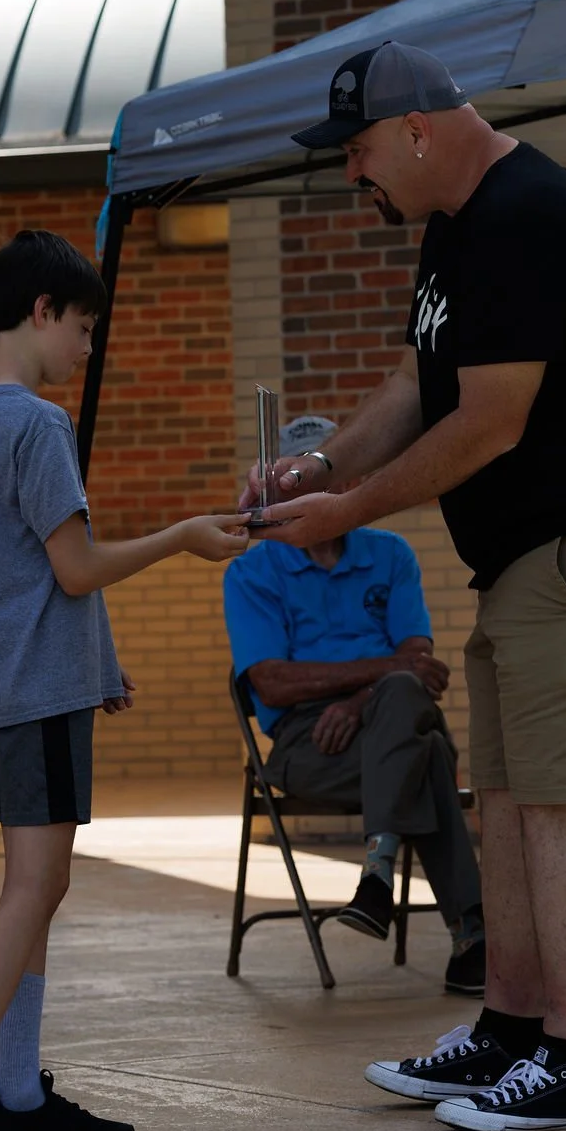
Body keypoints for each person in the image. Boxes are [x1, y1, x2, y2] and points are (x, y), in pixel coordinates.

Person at [242, 41, 566, 1131]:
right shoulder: (457, 227)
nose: (352, 174)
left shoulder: (526, 216)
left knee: (557, 801)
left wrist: (347, 511)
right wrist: (321, 467)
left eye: (357, 150)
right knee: (503, 798)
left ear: (416, 130)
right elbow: (420, 380)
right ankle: (509, 1029)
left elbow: (490, 422)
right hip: (528, 558)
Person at [0, 230, 250, 1131]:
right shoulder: (39, 425)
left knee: (37, 888)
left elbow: (23, 577)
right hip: (35, 692)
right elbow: (77, 567)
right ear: (41, 310)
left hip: (5, 686)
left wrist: (99, 665)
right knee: (34, 888)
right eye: (84, 328)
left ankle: (17, 1092)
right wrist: (182, 536)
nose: (89, 349)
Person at [225, 414, 485, 996]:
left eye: (326, 475)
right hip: (307, 743)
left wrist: (364, 698)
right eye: (294, 479)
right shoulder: (252, 570)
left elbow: (418, 664)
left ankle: (377, 878)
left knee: (406, 705)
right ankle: (470, 933)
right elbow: (271, 684)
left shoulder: (389, 553)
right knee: (427, 752)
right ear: (274, 488)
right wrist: (385, 673)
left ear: (349, 481)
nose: (315, 490)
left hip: (389, 721)